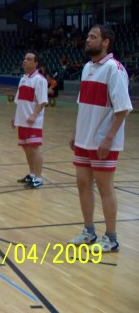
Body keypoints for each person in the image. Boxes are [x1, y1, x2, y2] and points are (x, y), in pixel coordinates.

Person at [68, 25, 133, 253]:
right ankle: (89, 231)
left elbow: (123, 108)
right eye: (88, 36)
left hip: (103, 142)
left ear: (106, 42)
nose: (88, 40)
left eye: (93, 37)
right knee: (83, 184)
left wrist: (108, 138)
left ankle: (111, 238)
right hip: (84, 139)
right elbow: (83, 104)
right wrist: (76, 132)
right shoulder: (87, 68)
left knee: (105, 188)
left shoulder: (114, 69)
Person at [11, 52, 48, 188]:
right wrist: (15, 117)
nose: (25, 61)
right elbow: (19, 100)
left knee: (34, 149)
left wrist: (34, 115)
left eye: (29, 59)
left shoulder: (40, 80)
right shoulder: (23, 79)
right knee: (26, 148)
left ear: (36, 63)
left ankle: (38, 178)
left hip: (33, 122)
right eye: (24, 58)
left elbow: (43, 101)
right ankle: (32, 174)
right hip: (22, 121)